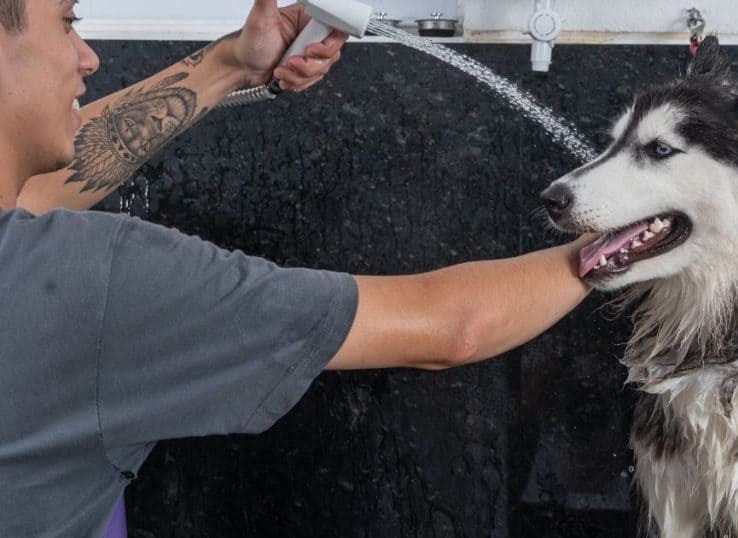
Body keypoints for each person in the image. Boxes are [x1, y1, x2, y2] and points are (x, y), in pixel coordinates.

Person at [0, 0, 592, 536]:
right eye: (69, 20)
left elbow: (38, 194)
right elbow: (453, 325)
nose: (88, 56)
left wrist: (233, 62)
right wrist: (634, 230)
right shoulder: (101, 282)